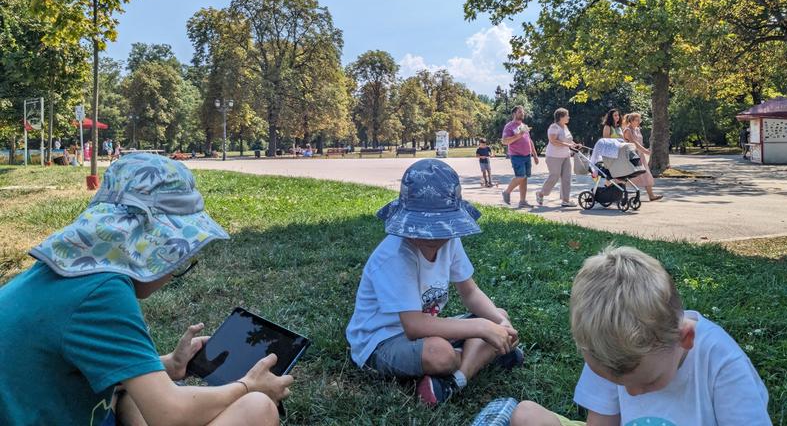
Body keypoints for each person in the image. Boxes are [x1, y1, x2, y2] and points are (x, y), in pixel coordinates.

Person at [0, 154, 292, 426]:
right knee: (257, 407)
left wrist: (168, 365)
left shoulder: (64, 273)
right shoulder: (101, 294)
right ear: (151, 247)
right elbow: (169, 412)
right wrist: (247, 386)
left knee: (127, 393)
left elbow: (90, 371)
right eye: (175, 261)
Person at [509, 246, 770, 426]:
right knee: (526, 416)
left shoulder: (721, 362)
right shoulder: (607, 345)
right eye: (618, 383)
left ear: (685, 338)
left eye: (647, 382)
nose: (632, 394)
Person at [346, 159, 523, 407]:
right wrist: (482, 328)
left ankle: (455, 381)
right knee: (440, 353)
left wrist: (499, 323)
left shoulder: (450, 241)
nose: (433, 238)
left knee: (498, 316)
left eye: (441, 229)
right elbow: (414, 326)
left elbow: (470, 291)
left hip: (425, 333)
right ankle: (480, 354)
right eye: (421, 228)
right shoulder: (395, 255)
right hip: (380, 343)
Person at [537, 108, 579, 208]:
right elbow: (553, 141)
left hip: (566, 156)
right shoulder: (554, 127)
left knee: (566, 178)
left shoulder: (565, 127)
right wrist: (568, 145)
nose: (569, 117)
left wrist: (574, 145)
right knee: (554, 176)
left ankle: (566, 200)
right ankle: (541, 193)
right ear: (561, 117)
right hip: (553, 156)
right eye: (567, 115)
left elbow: (568, 140)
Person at [501, 106, 539, 209]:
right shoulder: (509, 126)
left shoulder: (524, 126)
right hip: (516, 155)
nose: (522, 114)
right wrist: (518, 135)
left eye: (523, 112)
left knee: (524, 178)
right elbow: (504, 141)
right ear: (514, 114)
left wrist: (535, 155)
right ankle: (506, 192)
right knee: (521, 176)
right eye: (519, 112)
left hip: (527, 155)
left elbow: (529, 140)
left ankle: (522, 201)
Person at [622, 113, 663, 201]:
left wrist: (645, 150)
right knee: (625, 177)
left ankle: (651, 196)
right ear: (631, 120)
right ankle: (613, 190)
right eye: (637, 120)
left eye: (639, 120)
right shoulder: (627, 130)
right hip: (631, 157)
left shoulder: (637, 129)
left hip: (640, 156)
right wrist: (645, 151)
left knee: (646, 174)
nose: (639, 122)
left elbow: (640, 142)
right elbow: (634, 143)